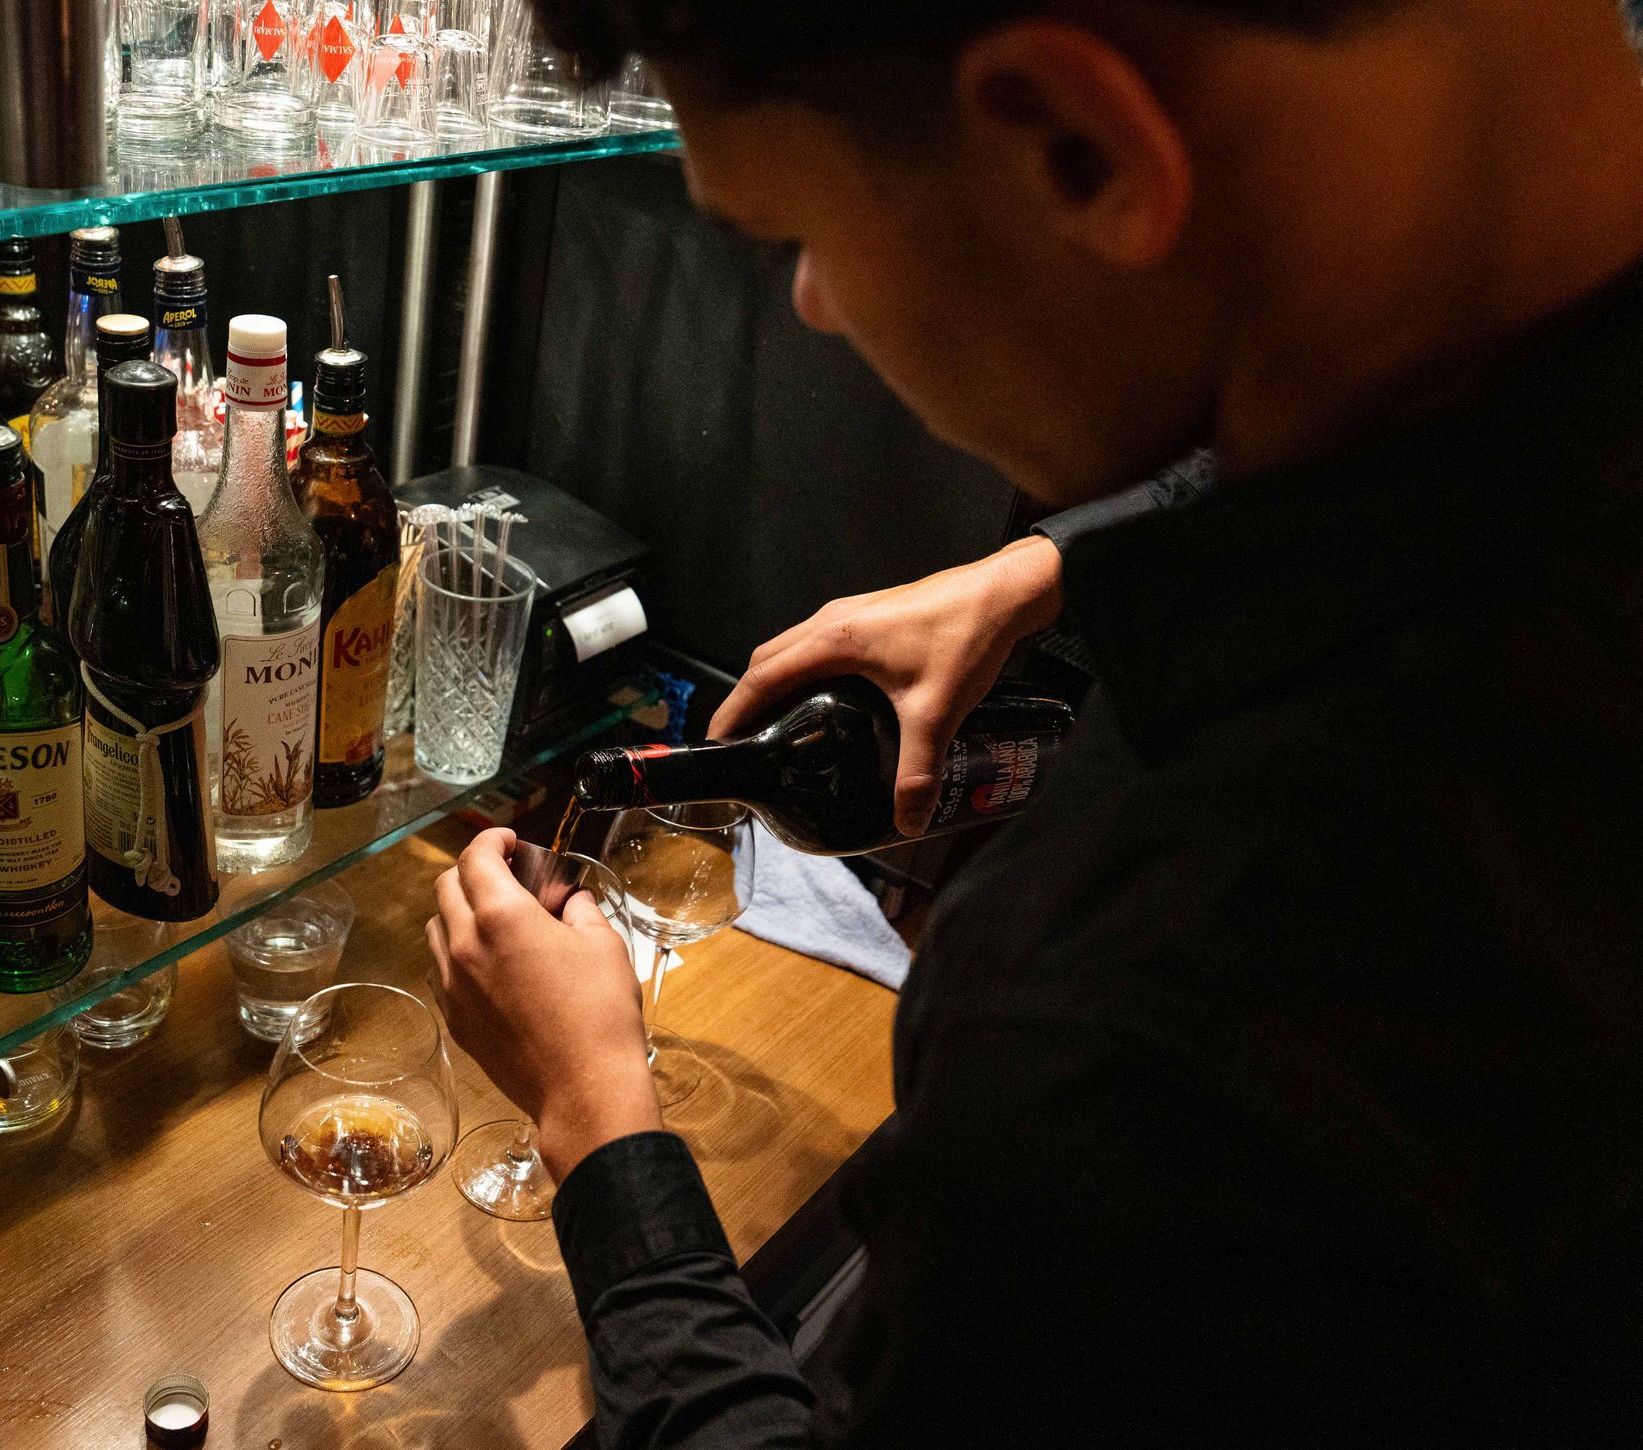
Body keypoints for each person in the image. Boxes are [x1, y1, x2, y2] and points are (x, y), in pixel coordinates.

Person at [426, 1, 1643, 1441]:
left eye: (793, 234)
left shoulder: (1140, 1027)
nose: (813, 299)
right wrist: (1062, 564)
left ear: (1074, 148)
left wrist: (601, 1123)